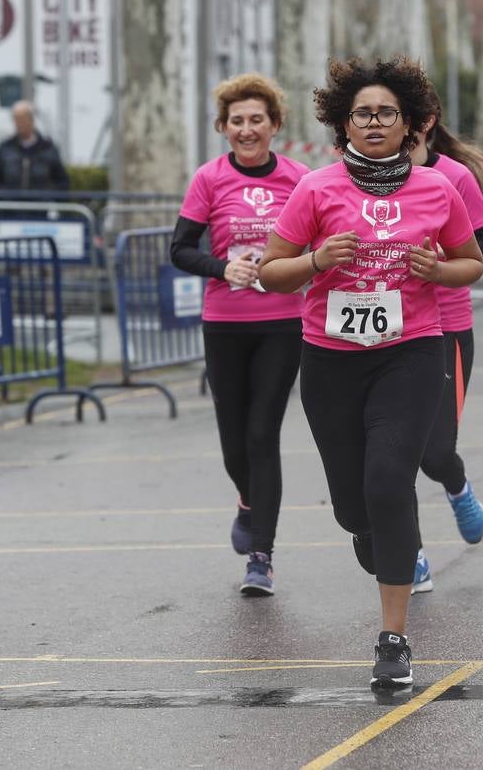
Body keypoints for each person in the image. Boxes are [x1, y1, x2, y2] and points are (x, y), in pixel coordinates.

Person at [259, 56, 483, 690]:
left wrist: (437, 272)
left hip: (411, 353)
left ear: (409, 122)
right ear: (344, 124)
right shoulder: (317, 189)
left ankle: (393, 639)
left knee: (390, 482)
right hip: (330, 360)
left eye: (387, 112)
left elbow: (472, 263)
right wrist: (315, 260)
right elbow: (272, 271)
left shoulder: (438, 188)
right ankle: (368, 530)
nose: (376, 122)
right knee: (355, 505)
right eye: (363, 113)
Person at [169, 73, 308, 596]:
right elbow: (180, 248)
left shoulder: (298, 178)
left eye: (257, 120)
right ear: (223, 128)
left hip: (280, 323)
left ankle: (261, 557)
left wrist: (296, 267)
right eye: (237, 121)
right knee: (233, 444)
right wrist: (221, 268)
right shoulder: (209, 178)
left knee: (260, 435)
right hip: (224, 323)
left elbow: (317, 240)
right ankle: (248, 503)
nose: (247, 130)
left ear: (275, 125)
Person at [405, 96, 483, 594]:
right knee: (391, 454)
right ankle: (410, 554)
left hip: (445, 329)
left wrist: (438, 256)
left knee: (435, 452)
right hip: (383, 332)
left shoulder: (453, 178)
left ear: (427, 122)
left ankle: (457, 486)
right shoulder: (360, 178)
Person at [0, 101, 69, 192]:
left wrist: (50, 200)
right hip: (11, 205)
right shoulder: (5, 148)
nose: (19, 124)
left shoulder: (48, 148)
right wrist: (3, 199)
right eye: (16, 119)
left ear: (31, 119)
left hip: (42, 205)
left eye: (22, 119)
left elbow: (62, 181)